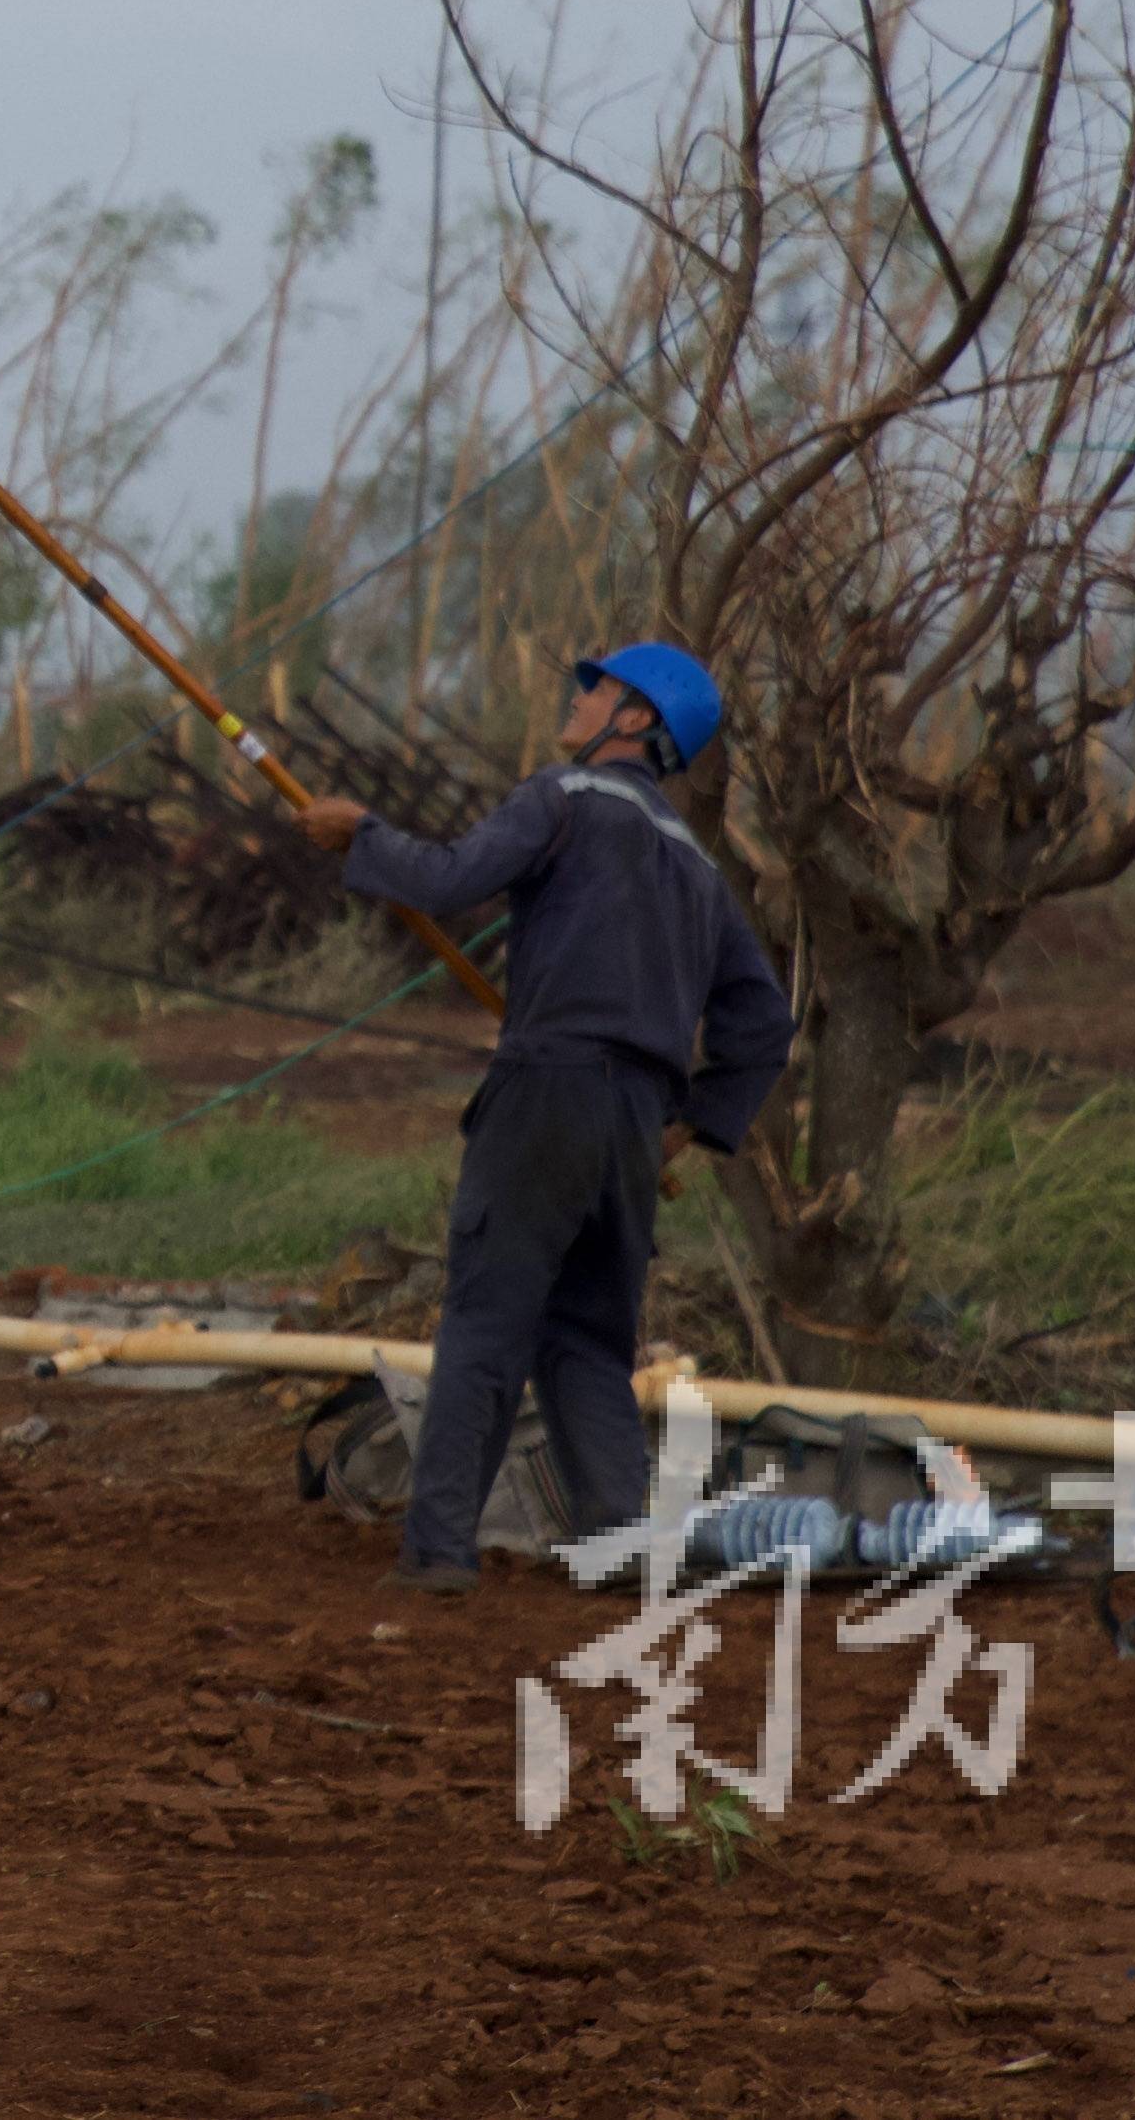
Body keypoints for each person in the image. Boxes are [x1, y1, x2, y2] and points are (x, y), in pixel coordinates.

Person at [295, 642, 796, 1597]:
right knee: (586, 1345)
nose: (578, 700)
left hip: (546, 1090)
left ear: (637, 721)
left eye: (598, 689)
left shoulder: (562, 798)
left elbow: (445, 878)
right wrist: (688, 1127)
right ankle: (626, 1550)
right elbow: (763, 1022)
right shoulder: (698, 869)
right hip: (633, 1124)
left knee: (487, 1322)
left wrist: (360, 833)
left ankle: (440, 1555)